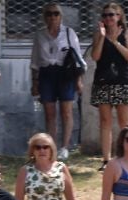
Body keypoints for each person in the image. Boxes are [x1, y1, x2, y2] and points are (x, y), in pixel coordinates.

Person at [31, 5, 83, 161]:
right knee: (49, 112)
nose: (52, 17)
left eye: (56, 14)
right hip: (47, 73)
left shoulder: (69, 33)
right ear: (44, 17)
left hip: (65, 73)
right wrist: (34, 82)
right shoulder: (40, 35)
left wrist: (78, 80)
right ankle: (51, 146)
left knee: (66, 111)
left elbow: (78, 59)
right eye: (49, 14)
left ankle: (65, 147)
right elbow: (35, 60)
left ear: (61, 16)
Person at [90, 5, 128, 167]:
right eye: (105, 15)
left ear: (119, 16)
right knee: (105, 121)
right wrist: (103, 38)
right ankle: (106, 159)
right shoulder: (98, 34)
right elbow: (95, 56)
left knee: (124, 121)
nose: (108, 18)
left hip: (122, 80)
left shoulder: (127, 33)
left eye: (111, 15)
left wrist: (115, 42)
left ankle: (126, 156)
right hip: (103, 81)